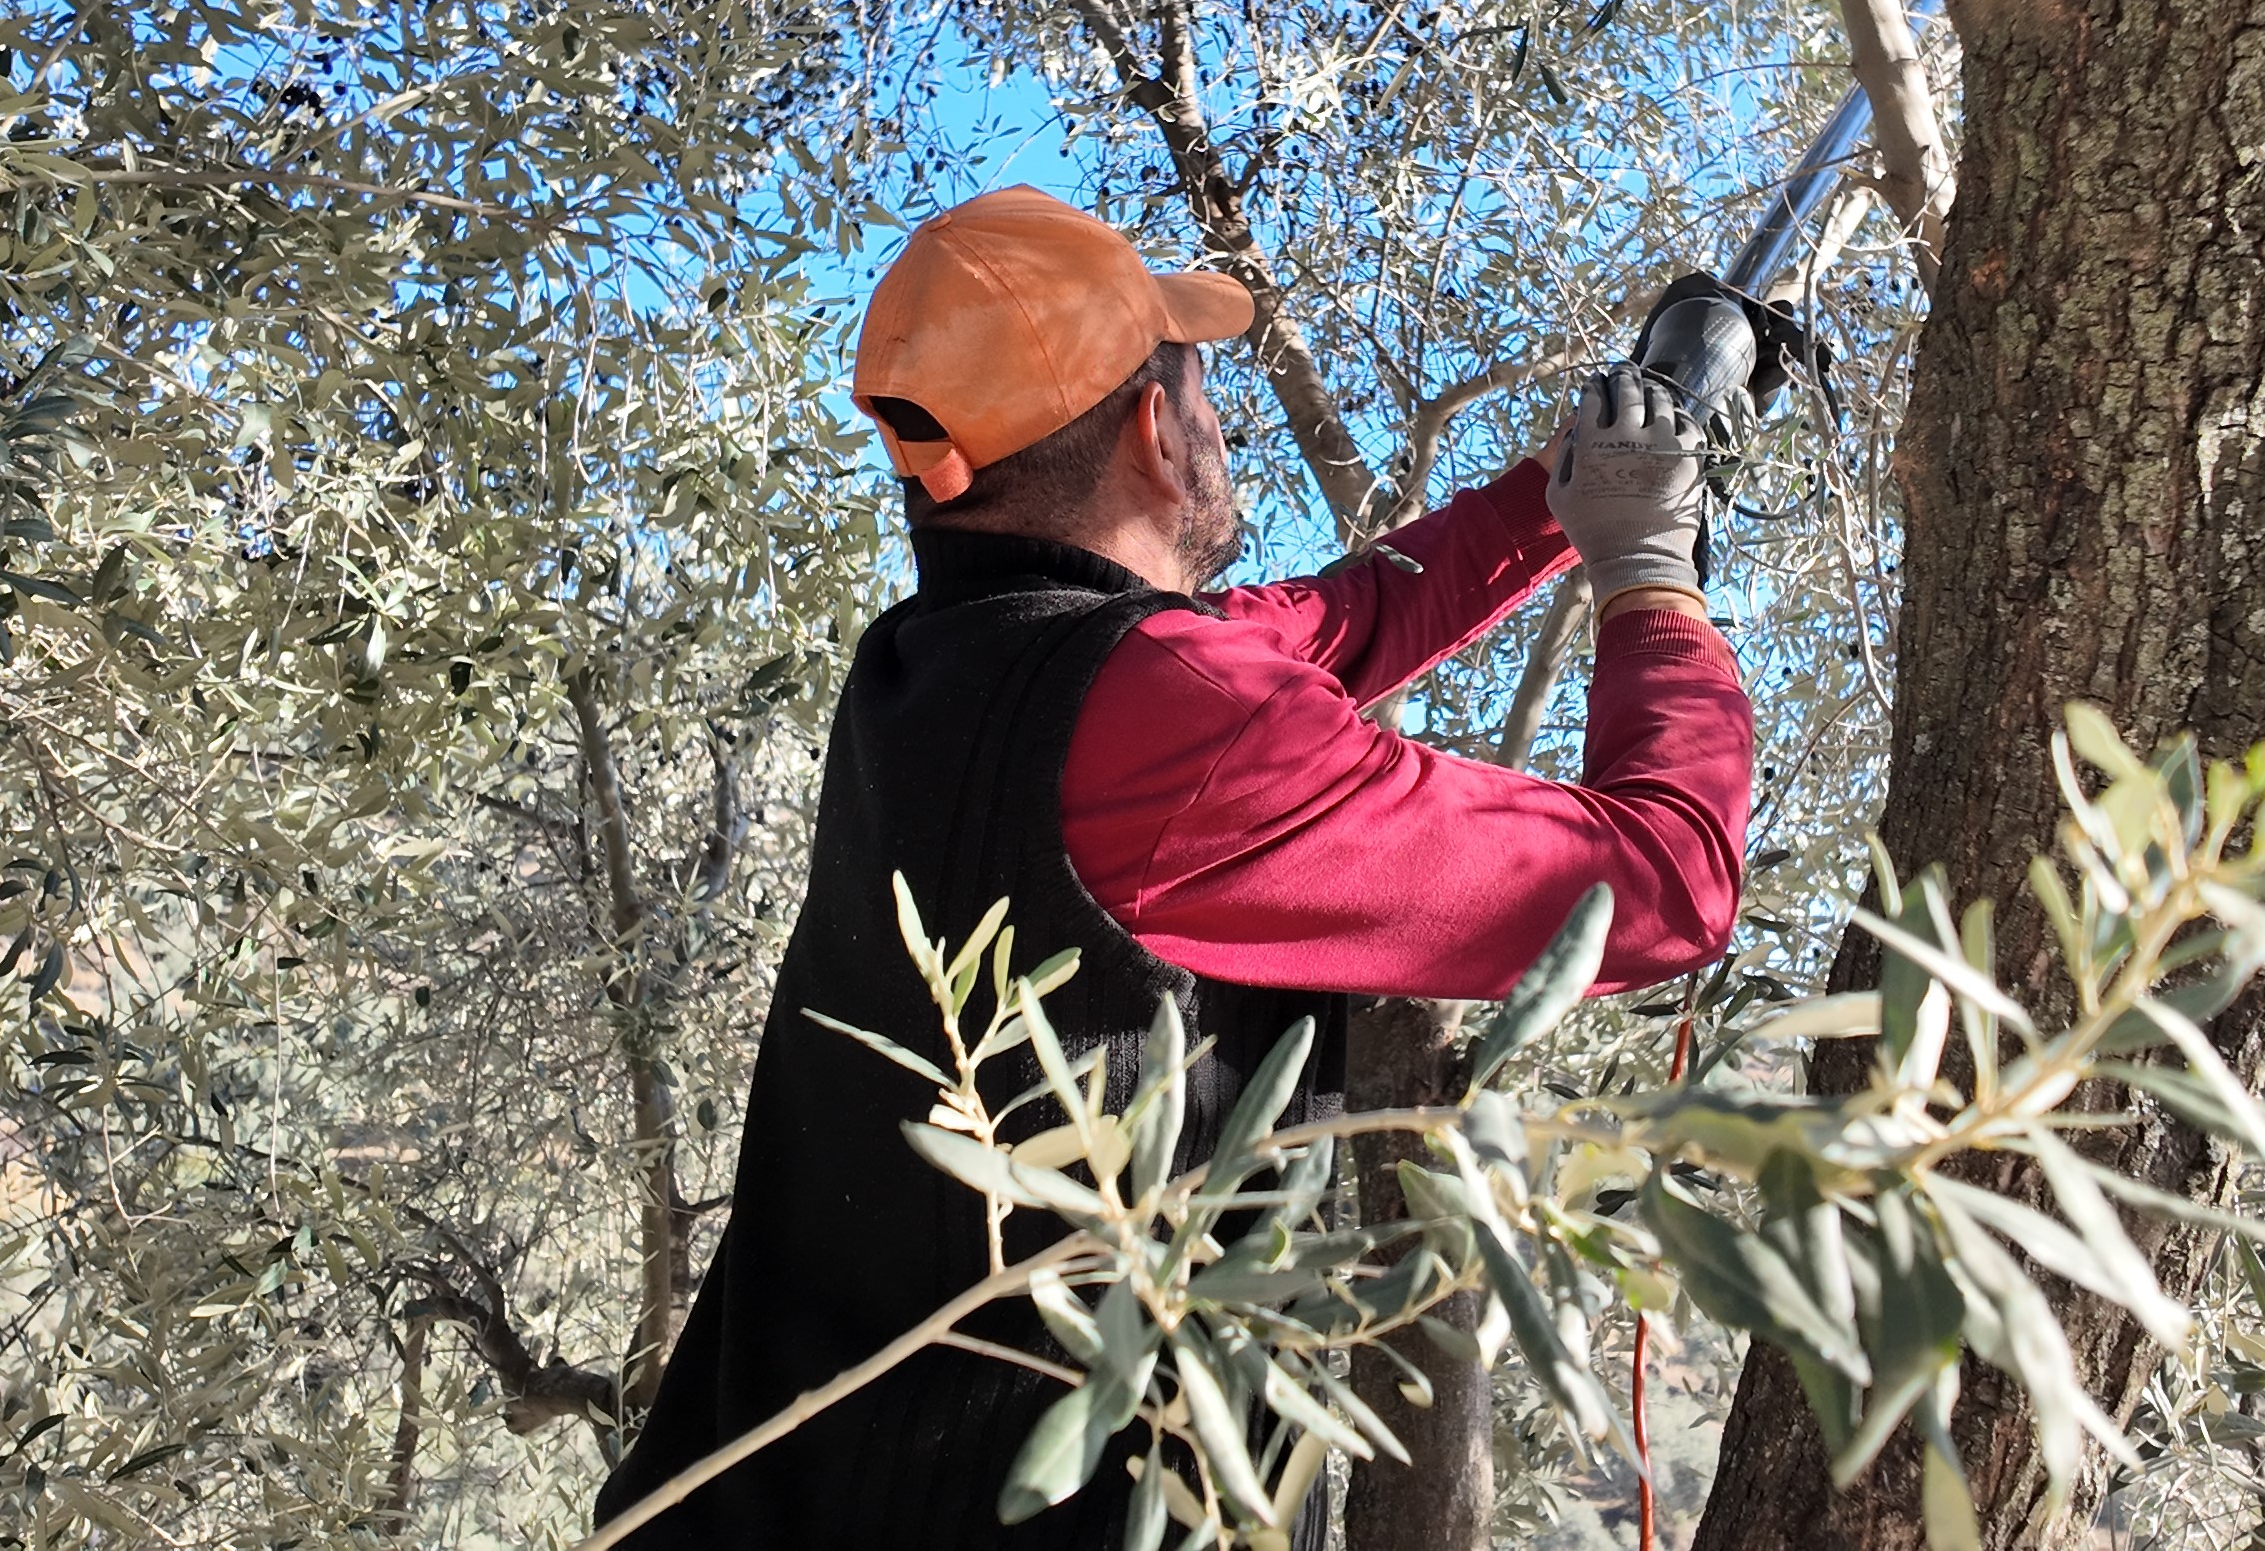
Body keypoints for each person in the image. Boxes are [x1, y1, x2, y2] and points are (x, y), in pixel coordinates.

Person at [593, 186, 1755, 1547]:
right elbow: (1670, 883)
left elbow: (1362, 610)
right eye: (1200, 387)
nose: (1219, 424)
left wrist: (1575, 485)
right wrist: (1652, 576)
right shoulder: (1174, 725)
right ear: (1154, 427)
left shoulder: (934, 668)